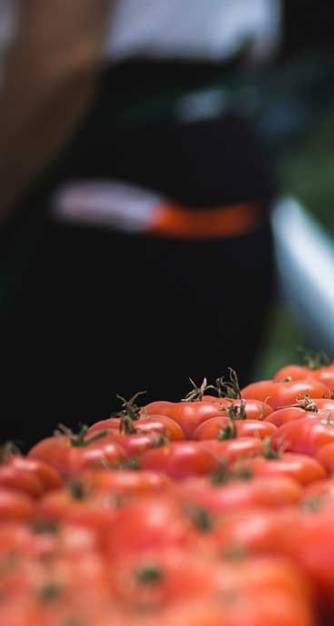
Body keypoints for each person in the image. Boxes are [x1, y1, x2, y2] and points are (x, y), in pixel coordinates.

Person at [0, 0, 280, 444]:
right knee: (191, 455)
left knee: (80, 469)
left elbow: (61, 57)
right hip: (210, 147)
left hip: (114, 178)